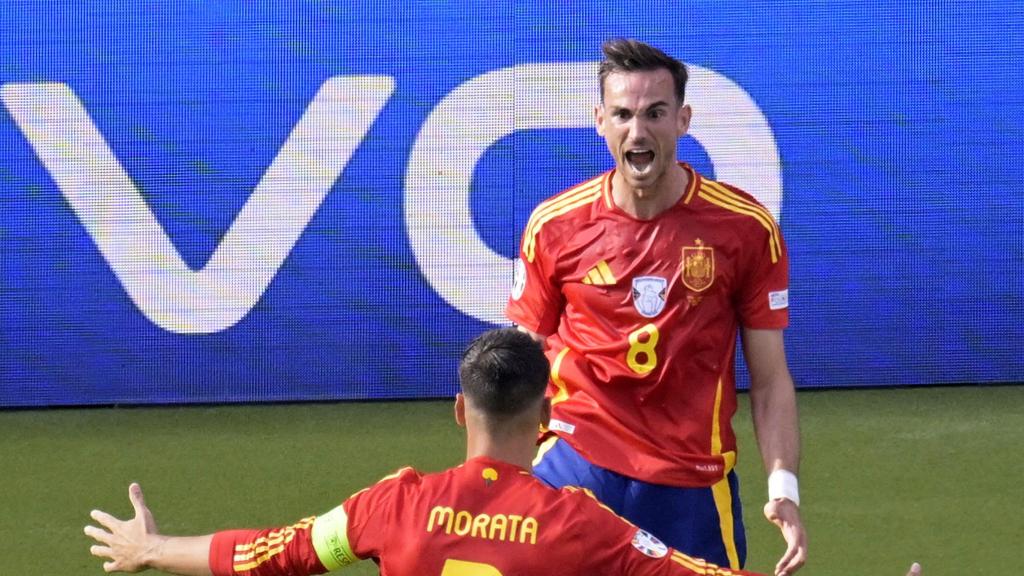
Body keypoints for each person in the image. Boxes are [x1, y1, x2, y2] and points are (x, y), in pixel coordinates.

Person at [84, 328, 769, 576]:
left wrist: (151, 549)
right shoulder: (583, 526)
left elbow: (270, 555)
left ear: (458, 409)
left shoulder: (393, 506)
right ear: (548, 420)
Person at [505, 38, 805, 575]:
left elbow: (770, 379)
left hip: (690, 479)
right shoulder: (554, 225)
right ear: (600, 121)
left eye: (655, 114)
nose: (637, 132)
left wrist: (783, 487)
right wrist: (494, 475)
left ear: (683, 121)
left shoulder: (745, 229)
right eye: (622, 114)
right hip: (578, 461)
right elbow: (519, 362)